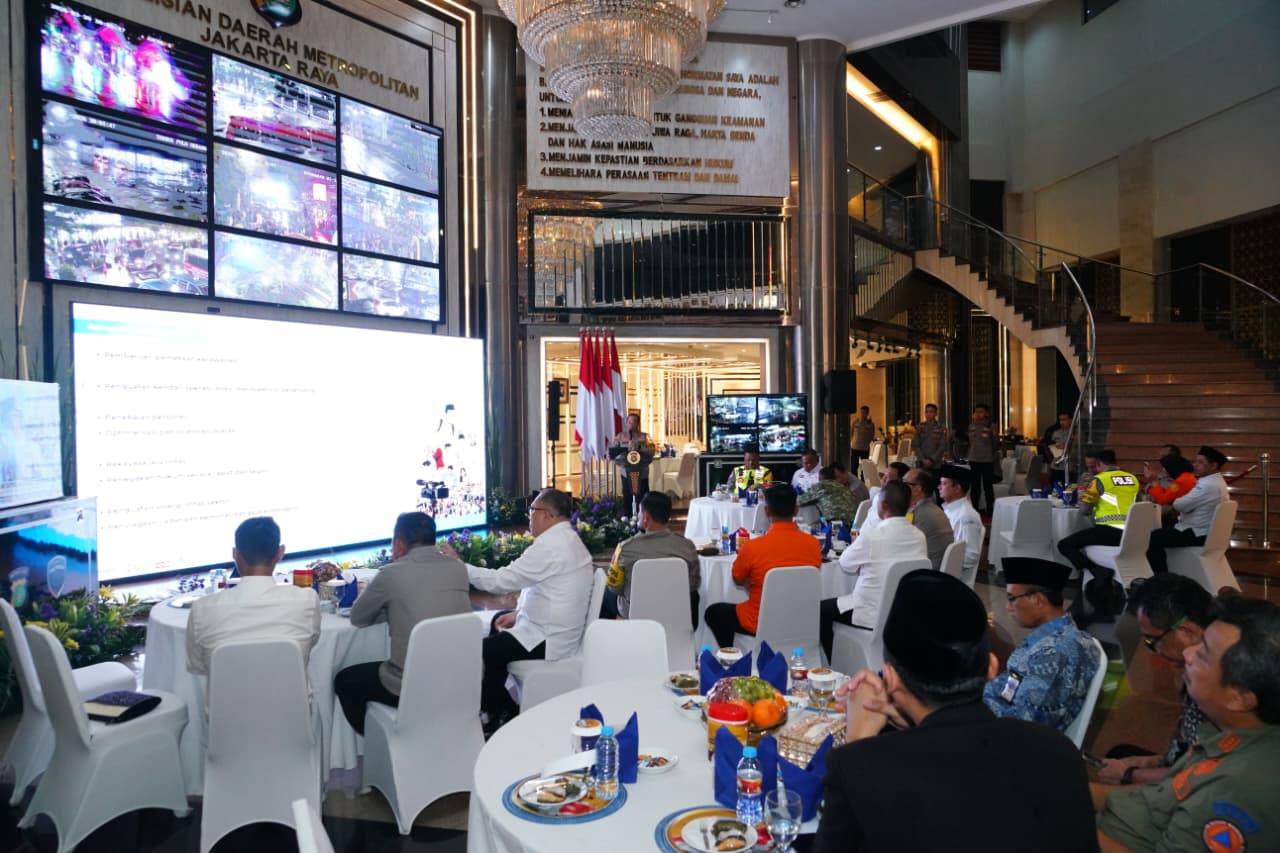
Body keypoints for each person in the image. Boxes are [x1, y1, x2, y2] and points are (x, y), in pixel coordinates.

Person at [814, 570, 1100, 853]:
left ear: (891, 678)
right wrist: (910, 724)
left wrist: (857, 742)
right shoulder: (1059, 752)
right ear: (991, 668)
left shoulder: (863, 769)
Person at [1096, 597, 1280, 853]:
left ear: (1239, 697)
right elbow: (1163, 793)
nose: (1187, 653)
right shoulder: (1229, 733)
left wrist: (1066, 824)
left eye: (1203, 654)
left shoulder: (1238, 790)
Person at [453, 488, 593, 731]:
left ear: (547, 515)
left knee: (483, 650)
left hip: (549, 637)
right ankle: (494, 707)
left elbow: (501, 581)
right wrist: (518, 614)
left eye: (532, 510)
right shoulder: (566, 538)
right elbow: (548, 590)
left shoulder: (551, 546)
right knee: (497, 624)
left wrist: (460, 567)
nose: (529, 515)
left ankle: (503, 712)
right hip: (554, 627)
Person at [333, 512, 470, 735]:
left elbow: (358, 617)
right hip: (462, 678)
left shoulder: (392, 573)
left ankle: (381, 740)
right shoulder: (458, 568)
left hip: (413, 685)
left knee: (345, 681)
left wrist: (390, 609)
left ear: (398, 544)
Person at [1093, 574, 1214, 788]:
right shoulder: (1199, 668)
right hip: (1189, 766)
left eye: (1153, 640)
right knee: (1120, 754)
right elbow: (1186, 751)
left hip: (1201, 788)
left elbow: (1204, 775)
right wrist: (1143, 762)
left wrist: (1131, 774)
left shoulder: (1217, 685)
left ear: (1187, 630)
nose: (1155, 651)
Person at [186, 517, 320, 677]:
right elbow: (311, 645)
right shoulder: (307, 600)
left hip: (228, 694)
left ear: (235, 554)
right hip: (293, 694)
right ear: (280, 553)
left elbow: (197, 666)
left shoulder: (202, 609)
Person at [983, 557, 1101, 734]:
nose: (1008, 607)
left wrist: (970, 713)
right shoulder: (1057, 637)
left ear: (1037, 600)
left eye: (1012, 599)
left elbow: (1025, 726)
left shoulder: (1054, 653)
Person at [818, 480, 927, 662]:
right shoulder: (919, 536)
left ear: (882, 505)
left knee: (821, 610)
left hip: (870, 612)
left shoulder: (872, 536)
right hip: (902, 611)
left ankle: (832, 664)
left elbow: (845, 563)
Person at [703, 484, 821, 648]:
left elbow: (737, 579)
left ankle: (731, 656)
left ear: (766, 511)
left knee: (714, 612)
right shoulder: (813, 544)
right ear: (796, 511)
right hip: (799, 620)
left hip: (759, 621)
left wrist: (751, 582)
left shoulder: (753, 546)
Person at [1057, 448, 1141, 623]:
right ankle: (1098, 573)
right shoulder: (1132, 478)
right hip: (1131, 532)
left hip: (1108, 531)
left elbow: (1084, 510)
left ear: (1100, 464)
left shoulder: (1099, 480)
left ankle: (1096, 570)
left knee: (1065, 545)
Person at [602, 491, 700, 628]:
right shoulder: (687, 547)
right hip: (676, 614)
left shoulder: (626, 549)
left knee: (605, 595)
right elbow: (693, 585)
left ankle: (615, 634)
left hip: (635, 615)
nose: (638, 516)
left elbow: (614, 587)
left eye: (639, 512)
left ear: (646, 518)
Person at [1146, 445, 1230, 575]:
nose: (1195, 465)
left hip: (1196, 533)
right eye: (1195, 461)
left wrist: (1177, 500)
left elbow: (1179, 505)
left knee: (1151, 538)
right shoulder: (1217, 482)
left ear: (1213, 466)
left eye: (1200, 462)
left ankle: (1161, 577)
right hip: (1204, 530)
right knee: (1159, 533)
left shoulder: (1207, 485)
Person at [901, 468, 953, 571]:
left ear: (917, 489)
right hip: (935, 569)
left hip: (926, 573)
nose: (900, 486)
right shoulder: (932, 508)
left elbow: (902, 548)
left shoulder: (920, 514)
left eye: (904, 483)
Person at [939, 464, 984, 579]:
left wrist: (941, 559)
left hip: (953, 575)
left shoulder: (966, 516)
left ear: (957, 488)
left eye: (944, 484)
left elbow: (971, 556)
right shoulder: (949, 509)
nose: (939, 487)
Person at [1141, 453, 1195, 527]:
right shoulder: (1187, 477)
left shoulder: (1181, 481)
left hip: (1179, 518)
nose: (1163, 470)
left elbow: (1163, 500)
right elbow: (1169, 494)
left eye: (1165, 468)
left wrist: (1155, 482)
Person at [611, 412, 650, 512]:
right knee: (627, 494)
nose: (631, 424)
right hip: (626, 471)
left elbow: (651, 452)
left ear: (638, 423)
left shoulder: (645, 437)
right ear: (626, 423)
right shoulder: (620, 436)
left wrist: (638, 447)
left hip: (642, 472)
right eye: (629, 422)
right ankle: (627, 516)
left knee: (643, 495)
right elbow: (613, 451)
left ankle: (643, 515)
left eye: (634, 422)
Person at [858, 461, 908, 535]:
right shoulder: (878, 495)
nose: (883, 479)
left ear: (899, 482)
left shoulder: (897, 503)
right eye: (884, 475)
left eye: (887, 477)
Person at [966, 404, 997, 513]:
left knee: (988, 486)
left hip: (986, 460)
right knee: (975, 486)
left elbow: (995, 444)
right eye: (976, 412)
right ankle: (975, 509)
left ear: (986, 414)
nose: (978, 414)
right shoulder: (971, 426)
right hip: (974, 459)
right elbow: (970, 443)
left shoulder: (991, 426)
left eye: (981, 412)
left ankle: (990, 509)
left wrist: (994, 434)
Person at [914, 403, 950, 469]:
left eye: (931, 412)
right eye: (926, 412)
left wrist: (931, 460)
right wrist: (922, 459)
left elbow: (942, 447)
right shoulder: (919, 427)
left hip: (936, 464)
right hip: (921, 463)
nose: (928, 414)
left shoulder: (941, 427)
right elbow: (916, 445)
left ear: (936, 413)